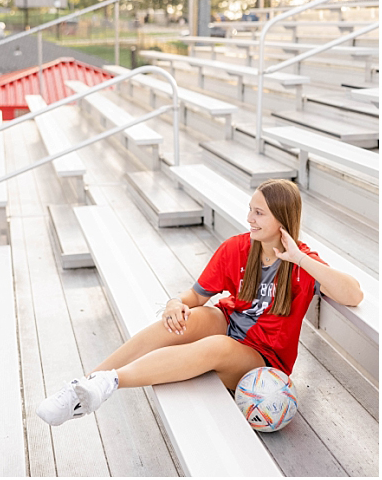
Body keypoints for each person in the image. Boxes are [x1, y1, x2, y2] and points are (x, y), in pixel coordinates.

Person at [37, 179, 363, 426]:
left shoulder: (302, 264)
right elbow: (194, 297)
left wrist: (299, 259)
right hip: (229, 324)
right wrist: (173, 303)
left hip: (262, 357)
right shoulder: (237, 248)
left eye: (259, 212)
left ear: (282, 219)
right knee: (188, 319)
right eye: (250, 209)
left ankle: (112, 381)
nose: (249, 218)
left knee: (218, 347)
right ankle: (87, 385)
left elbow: (353, 294)